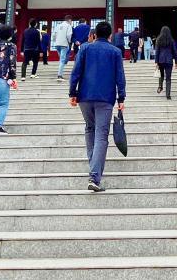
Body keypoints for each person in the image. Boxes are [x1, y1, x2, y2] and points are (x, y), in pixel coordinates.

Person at [69, 21, 126, 192]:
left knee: (89, 128)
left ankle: (93, 164)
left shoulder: (85, 48)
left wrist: (72, 92)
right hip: (105, 98)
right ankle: (94, 175)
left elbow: (76, 71)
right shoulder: (115, 51)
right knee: (101, 135)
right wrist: (121, 97)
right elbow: (120, 76)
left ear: (94, 35)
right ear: (110, 35)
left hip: (84, 96)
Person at [154, 26, 177, 100]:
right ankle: (168, 95)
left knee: (161, 75)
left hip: (161, 60)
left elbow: (157, 51)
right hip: (169, 61)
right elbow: (174, 51)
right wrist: (176, 62)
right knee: (168, 78)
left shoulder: (158, 39)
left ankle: (160, 86)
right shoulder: (171, 40)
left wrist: (156, 62)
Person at [53, 15, 74, 82]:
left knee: (61, 59)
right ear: (69, 20)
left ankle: (60, 72)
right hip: (64, 44)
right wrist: (69, 41)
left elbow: (54, 35)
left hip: (57, 44)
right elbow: (68, 35)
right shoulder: (68, 26)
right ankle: (59, 75)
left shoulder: (58, 25)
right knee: (62, 60)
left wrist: (55, 41)